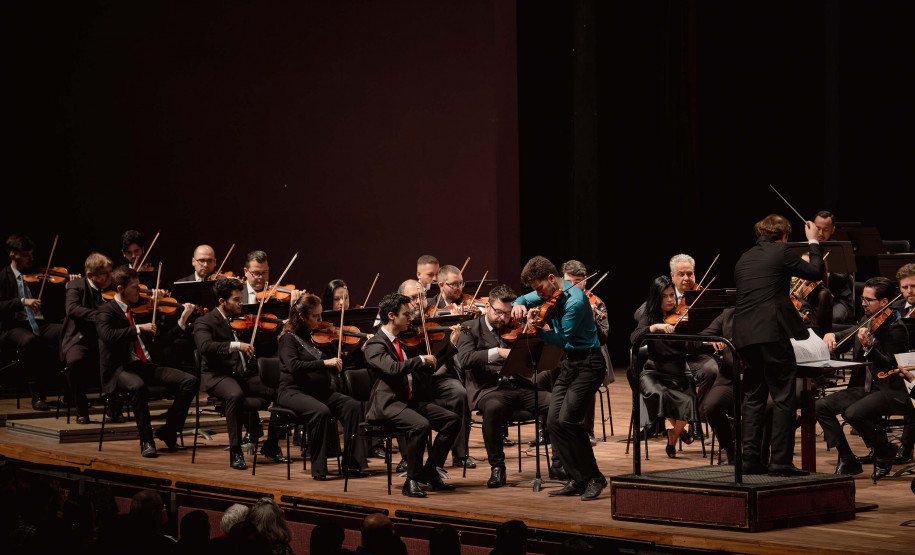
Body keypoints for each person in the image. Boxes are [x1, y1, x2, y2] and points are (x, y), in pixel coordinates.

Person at [733, 213, 822, 476]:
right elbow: (816, 272)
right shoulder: (782, 251)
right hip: (771, 334)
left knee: (753, 397)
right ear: (784, 235)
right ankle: (780, 462)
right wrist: (813, 242)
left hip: (744, 336)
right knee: (784, 398)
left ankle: (749, 460)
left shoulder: (744, 257)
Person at [511, 256, 607, 500]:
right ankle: (577, 478)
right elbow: (522, 298)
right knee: (553, 423)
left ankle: (595, 477)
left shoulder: (575, 301)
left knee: (568, 421)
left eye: (539, 288)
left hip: (589, 364)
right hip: (569, 365)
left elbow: (562, 339)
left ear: (552, 279)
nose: (538, 294)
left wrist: (535, 328)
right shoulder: (548, 292)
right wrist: (518, 303)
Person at [364, 292, 462, 498]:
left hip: (407, 402)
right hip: (388, 405)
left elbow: (428, 368)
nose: (411, 319)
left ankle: (430, 469)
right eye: (406, 315)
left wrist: (450, 347)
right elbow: (392, 368)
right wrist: (420, 359)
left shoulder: (402, 342)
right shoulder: (375, 344)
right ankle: (411, 480)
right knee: (421, 425)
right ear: (391, 315)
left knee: (452, 420)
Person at [96, 266, 198, 457]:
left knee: (190, 381)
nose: (141, 291)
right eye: (135, 287)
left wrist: (182, 322)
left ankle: (169, 431)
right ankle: (147, 440)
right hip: (119, 370)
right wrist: (137, 329)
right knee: (138, 386)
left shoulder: (137, 311)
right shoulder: (105, 312)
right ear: (120, 289)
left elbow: (161, 341)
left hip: (143, 366)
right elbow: (107, 335)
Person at [456, 284, 550, 487]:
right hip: (488, 389)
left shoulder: (515, 327)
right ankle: (497, 467)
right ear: (488, 307)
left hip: (518, 385)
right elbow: (465, 359)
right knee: (493, 408)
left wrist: (530, 327)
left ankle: (560, 462)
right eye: (499, 312)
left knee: (555, 403)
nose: (504, 318)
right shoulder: (470, 328)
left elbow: (530, 361)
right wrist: (497, 352)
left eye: (508, 313)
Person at [818, 277, 910, 482]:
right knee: (821, 405)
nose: (863, 303)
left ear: (884, 302)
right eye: (862, 298)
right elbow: (848, 334)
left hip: (889, 389)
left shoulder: (896, 327)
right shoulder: (867, 319)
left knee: (853, 413)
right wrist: (832, 334)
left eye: (868, 300)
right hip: (866, 388)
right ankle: (847, 457)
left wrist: (870, 348)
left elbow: (891, 366)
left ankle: (883, 449)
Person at [193, 278, 286, 469]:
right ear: (222, 301)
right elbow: (204, 346)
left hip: (240, 375)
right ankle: (236, 452)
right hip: (217, 376)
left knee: (281, 392)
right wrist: (236, 345)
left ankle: (271, 444)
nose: (241, 303)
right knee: (235, 395)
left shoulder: (235, 321)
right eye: (236, 299)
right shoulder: (204, 321)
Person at [277, 293, 369, 480]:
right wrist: (324, 363)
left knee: (352, 406)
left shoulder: (316, 337)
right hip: (292, 392)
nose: (321, 320)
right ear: (302, 316)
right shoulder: (289, 339)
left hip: (318, 392)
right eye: (316, 316)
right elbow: (293, 366)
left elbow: (331, 362)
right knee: (321, 412)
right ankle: (319, 468)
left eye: (321, 315)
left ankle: (352, 464)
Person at [399, 279, 472, 469]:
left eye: (421, 297)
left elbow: (440, 357)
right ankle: (408, 458)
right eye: (413, 298)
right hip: (411, 381)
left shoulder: (434, 319)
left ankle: (460, 454)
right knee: (400, 398)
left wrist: (452, 340)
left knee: (460, 393)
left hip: (436, 376)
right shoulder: (399, 324)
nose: (418, 301)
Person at [630, 275, 698, 458]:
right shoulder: (650, 316)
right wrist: (655, 328)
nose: (670, 300)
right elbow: (635, 337)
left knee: (689, 399)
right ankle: (677, 433)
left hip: (679, 371)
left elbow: (694, 344)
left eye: (672, 296)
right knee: (659, 394)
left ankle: (673, 435)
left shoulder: (682, 315)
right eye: (665, 296)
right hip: (655, 371)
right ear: (656, 297)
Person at [0, 234, 66, 410]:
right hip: (14, 327)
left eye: (32, 254)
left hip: (39, 323)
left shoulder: (37, 275)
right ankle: (37, 394)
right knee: (30, 341)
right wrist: (22, 302)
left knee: (66, 330)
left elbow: (55, 298)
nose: (32, 258)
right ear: (13, 255)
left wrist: (70, 282)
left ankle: (68, 389)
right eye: (26, 255)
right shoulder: (3, 276)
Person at [561, 260, 614, 446]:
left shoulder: (596, 304)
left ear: (585, 281)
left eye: (578, 281)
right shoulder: (558, 301)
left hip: (590, 357)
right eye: (569, 281)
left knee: (587, 378)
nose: (574, 285)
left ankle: (587, 430)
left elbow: (603, 338)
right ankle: (548, 430)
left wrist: (592, 321)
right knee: (544, 376)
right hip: (563, 357)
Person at [60, 253, 113, 423]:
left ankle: (114, 406)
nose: (110, 277)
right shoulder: (75, 286)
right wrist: (100, 315)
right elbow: (72, 309)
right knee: (75, 361)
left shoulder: (112, 288)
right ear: (91, 275)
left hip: (104, 338)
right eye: (105, 273)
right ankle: (81, 409)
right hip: (79, 338)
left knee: (120, 357)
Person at [697, 308, 737, 464]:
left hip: (757, 377)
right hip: (729, 377)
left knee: (767, 407)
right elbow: (700, 339)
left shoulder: (764, 312)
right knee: (712, 406)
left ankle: (760, 455)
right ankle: (730, 449)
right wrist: (710, 339)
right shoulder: (729, 314)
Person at [812, 210, 855, 324]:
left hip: (838, 300)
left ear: (833, 230)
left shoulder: (839, 249)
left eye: (825, 229)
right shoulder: (806, 248)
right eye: (817, 228)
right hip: (812, 299)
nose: (821, 233)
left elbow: (842, 275)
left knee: (833, 318)